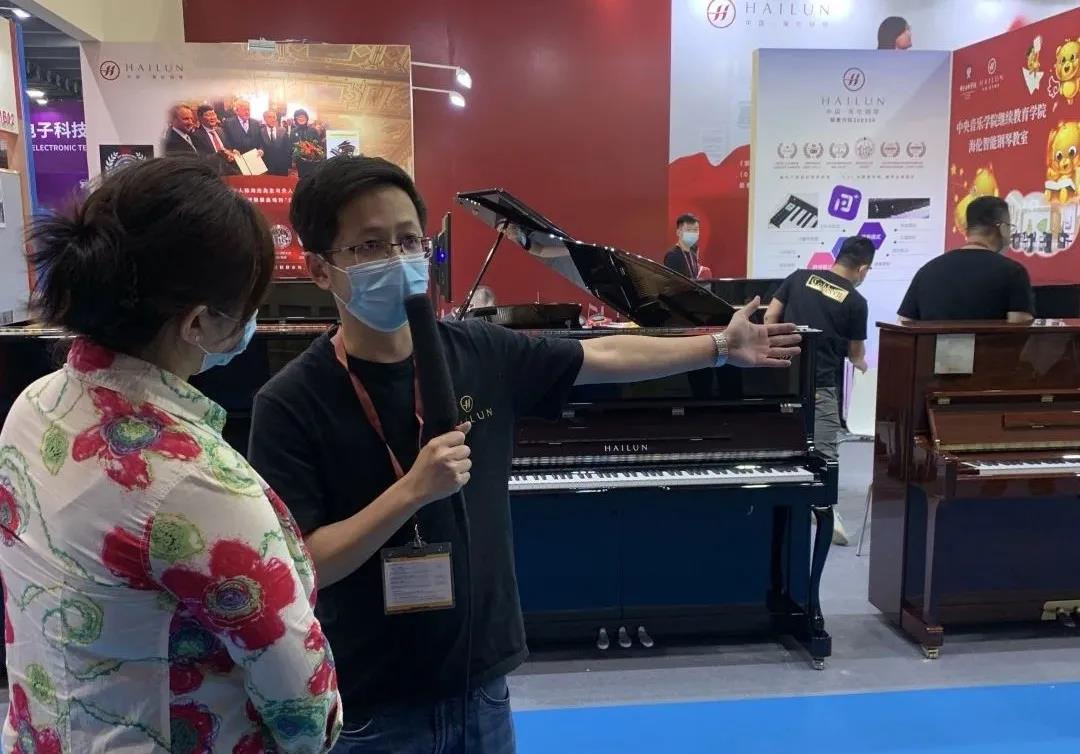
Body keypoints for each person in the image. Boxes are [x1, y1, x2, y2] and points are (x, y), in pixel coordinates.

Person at [247, 156, 801, 754]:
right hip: (370, 705)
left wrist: (717, 347)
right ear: (320, 269)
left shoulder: (478, 351)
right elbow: (302, 563)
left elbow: (600, 357)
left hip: (482, 684)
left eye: (408, 240)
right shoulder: (290, 402)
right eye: (370, 246)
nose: (398, 257)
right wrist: (411, 491)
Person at [0, 157, 342, 752]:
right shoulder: (195, 481)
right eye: (247, 306)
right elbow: (302, 702)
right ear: (199, 322)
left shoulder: (34, 406)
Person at [765, 236, 874, 546]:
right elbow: (855, 353)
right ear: (862, 269)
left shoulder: (799, 277)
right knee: (824, 451)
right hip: (822, 384)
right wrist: (862, 364)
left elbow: (770, 317)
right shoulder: (856, 301)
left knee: (780, 443)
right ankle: (825, 509)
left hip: (783, 379)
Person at [898, 196, 1034, 323]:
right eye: (1010, 227)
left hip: (933, 343)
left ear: (968, 228)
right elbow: (1020, 328)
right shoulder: (1013, 272)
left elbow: (904, 323)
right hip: (992, 343)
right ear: (1003, 228)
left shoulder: (927, 271)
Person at [663, 213, 711, 279]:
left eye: (696, 230)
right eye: (688, 230)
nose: (693, 233)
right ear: (678, 232)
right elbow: (671, 282)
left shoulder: (693, 254)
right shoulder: (672, 255)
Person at [262, 110, 292, 176]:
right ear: (264, 119)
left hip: (282, 165)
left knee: (282, 182)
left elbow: (288, 148)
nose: (272, 119)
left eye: (274, 117)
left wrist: (288, 164)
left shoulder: (283, 130)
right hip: (268, 166)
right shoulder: (261, 132)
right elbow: (260, 146)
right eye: (269, 117)